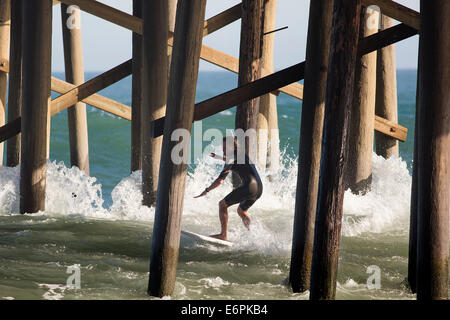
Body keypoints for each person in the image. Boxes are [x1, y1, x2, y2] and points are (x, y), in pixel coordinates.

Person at [194, 137, 263, 241]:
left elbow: (220, 180)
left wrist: (206, 190)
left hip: (249, 187)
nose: (223, 148)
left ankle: (223, 235)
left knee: (222, 205)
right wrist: (217, 157)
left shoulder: (231, 157)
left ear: (233, 146)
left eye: (226, 147)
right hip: (259, 188)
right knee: (241, 210)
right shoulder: (241, 154)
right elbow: (231, 160)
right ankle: (253, 235)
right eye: (223, 146)